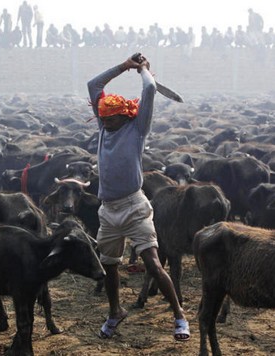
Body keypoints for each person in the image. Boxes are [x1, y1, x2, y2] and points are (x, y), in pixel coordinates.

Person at [87, 54, 190, 341]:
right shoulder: (104, 128)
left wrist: (144, 71)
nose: (105, 123)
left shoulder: (136, 129)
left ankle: (179, 315)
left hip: (134, 206)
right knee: (109, 266)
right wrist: (124, 66)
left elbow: (149, 90)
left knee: (154, 264)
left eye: (110, 119)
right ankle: (115, 311)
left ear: (123, 116)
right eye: (103, 118)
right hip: (108, 210)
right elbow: (93, 85)